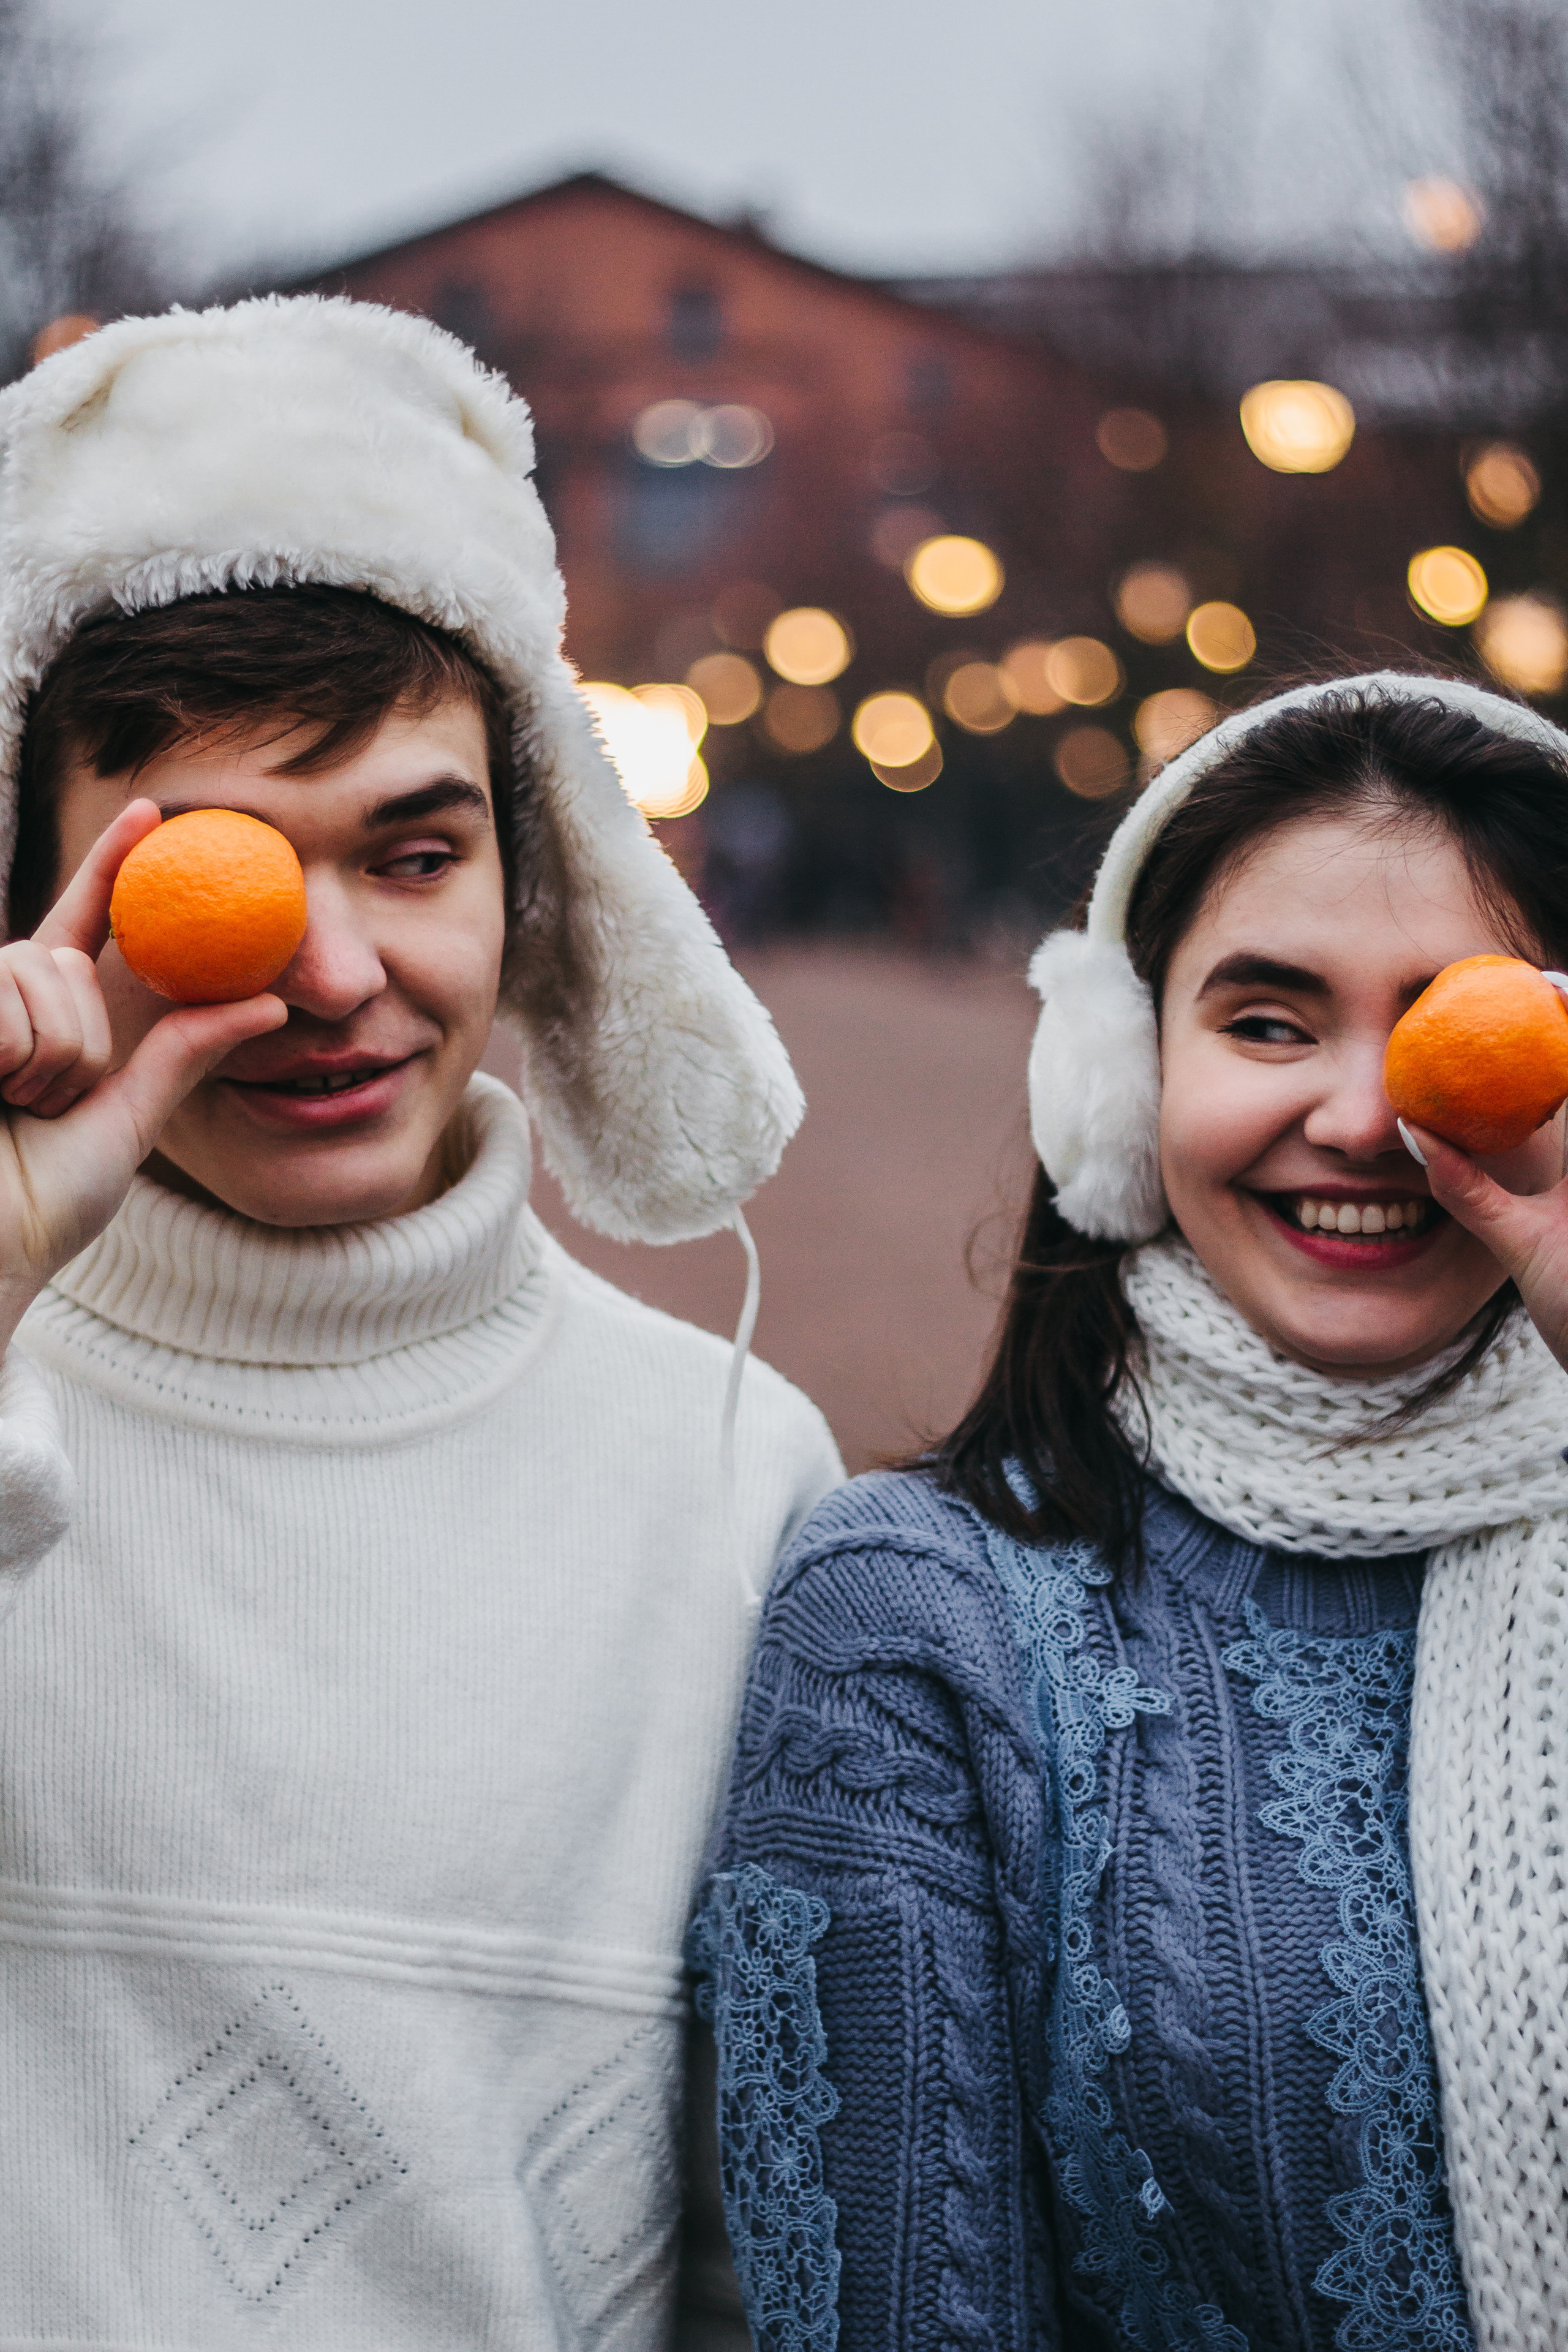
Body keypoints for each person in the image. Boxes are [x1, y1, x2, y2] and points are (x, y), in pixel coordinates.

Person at [0, 297, 842, 2345]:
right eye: (222, 871)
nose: (332, 974)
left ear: (532, 881)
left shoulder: (737, 1470)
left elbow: (774, 2229)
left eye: (417, 850)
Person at [694, 671, 1568, 2352]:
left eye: (1461, 1023)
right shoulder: (919, 1618)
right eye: (1267, 1021)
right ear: (1115, 1081)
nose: (1366, 1117)